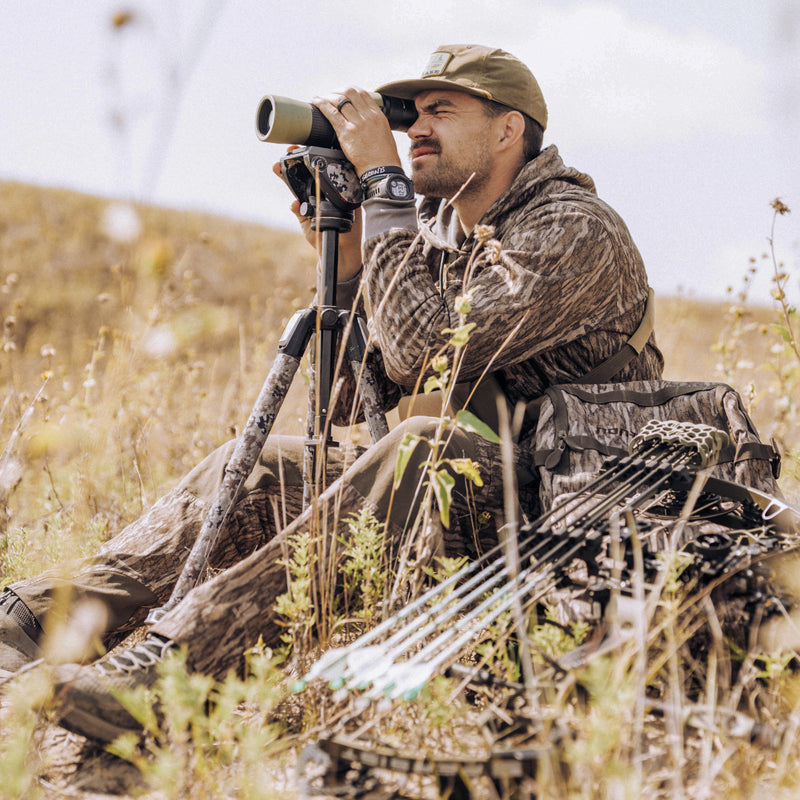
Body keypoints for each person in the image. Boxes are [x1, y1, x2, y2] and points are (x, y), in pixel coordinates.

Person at [0, 44, 663, 742]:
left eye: (441, 111)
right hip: (485, 489)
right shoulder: (444, 235)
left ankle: (167, 678)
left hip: (580, 508)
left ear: (508, 130)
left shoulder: (574, 227)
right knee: (267, 468)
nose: (416, 131)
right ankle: (29, 620)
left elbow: (422, 349)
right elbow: (349, 405)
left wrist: (384, 190)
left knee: (420, 449)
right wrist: (346, 268)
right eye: (410, 117)